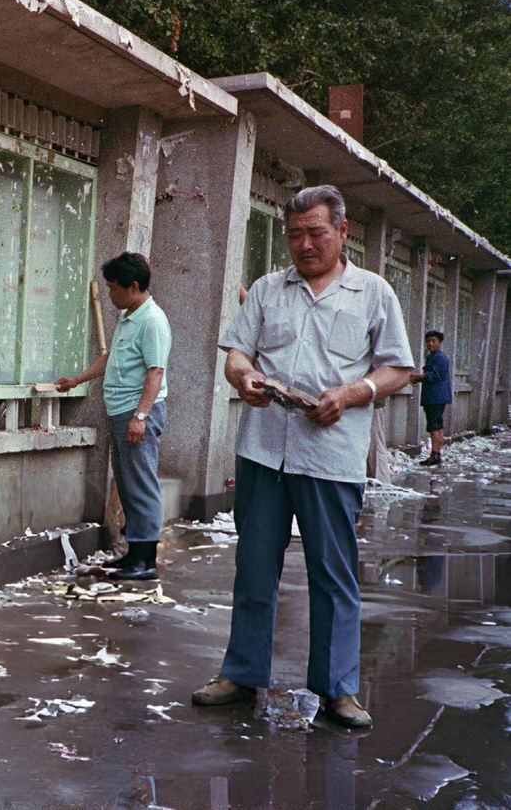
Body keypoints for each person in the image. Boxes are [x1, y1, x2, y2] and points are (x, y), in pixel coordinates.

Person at [192, 185, 413, 728]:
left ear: (342, 231)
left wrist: (351, 393)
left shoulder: (373, 292)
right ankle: (242, 674)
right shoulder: (268, 290)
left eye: (316, 232)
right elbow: (238, 353)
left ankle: (338, 690)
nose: (305, 244)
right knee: (253, 568)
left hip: (331, 457)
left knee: (332, 574)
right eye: (295, 234)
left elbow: (399, 368)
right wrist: (244, 377)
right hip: (264, 451)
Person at [55, 252, 171, 581]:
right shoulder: (128, 315)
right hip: (121, 411)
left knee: (141, 484)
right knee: (127, 483)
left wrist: (141, 416)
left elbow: (155, 372)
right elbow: (110, 358)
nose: (110, 295)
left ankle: (145, 560)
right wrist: (77, 379)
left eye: (114, 288)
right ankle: (133, 553)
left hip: (137, 412)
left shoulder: (151, 321)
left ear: (133, 286)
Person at [411, 330, 451, 466]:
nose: (430, 343)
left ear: (440, 342)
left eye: (433, 341)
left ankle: (434, 455)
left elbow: (433, 376)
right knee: (437, 426)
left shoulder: (439, 358)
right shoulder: (434, 357)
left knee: (434, 426)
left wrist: (415, 377)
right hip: (436, 397)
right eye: (428, 341)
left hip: (435, 397)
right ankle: (436, 454)